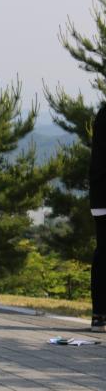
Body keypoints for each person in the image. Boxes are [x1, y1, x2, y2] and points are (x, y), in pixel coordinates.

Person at [90, 104, 106, 332]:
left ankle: (99, 315)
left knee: (103, 254)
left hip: (100, 197)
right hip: (103, 197)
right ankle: (100, 314)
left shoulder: (103, 113)